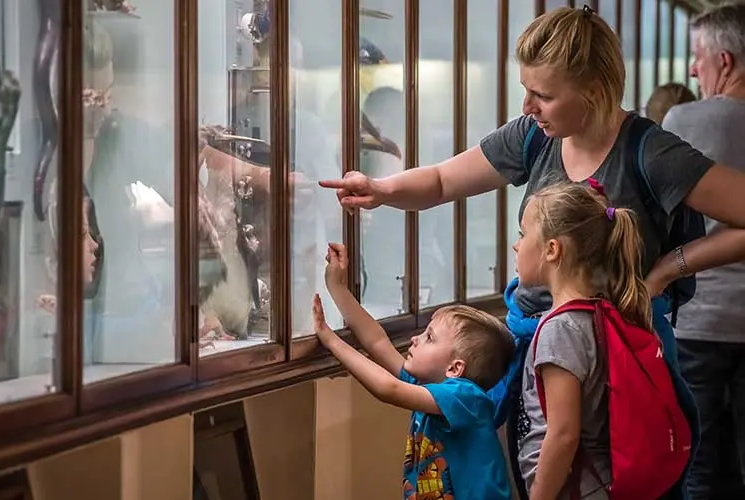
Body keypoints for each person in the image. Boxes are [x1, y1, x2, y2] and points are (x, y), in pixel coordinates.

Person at [319, 6, 745, 494]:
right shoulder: (534, 137)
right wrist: (381, 189)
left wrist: (670, 268)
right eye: (526, 90)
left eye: (543, 95)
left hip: (613, 370)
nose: (527, 106)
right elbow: (440, 181)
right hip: (538, 353)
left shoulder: (653, 154)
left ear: (594, 91)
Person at [312, 243, 515, 499]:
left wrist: (330, 340)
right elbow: (377, 342)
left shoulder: (466, 397)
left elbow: (388, 389)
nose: (415, 339)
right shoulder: (428, 385)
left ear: (455, 368)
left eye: (429, 337)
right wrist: (337, 287)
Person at [513, 182, 653, 500]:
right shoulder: (601, 311)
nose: (516, 246)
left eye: (523, 234)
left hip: (575, 489)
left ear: (552, 249)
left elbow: (563, 435)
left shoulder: (560, 330)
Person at [660, 4, 745, 499]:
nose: (694, 70)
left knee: (699, 464)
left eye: (698, 57)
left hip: (699, 320)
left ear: (725, 61)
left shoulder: (682, 120)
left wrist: (665, 271)